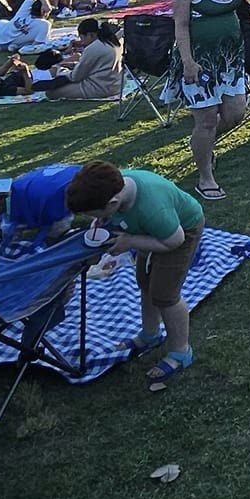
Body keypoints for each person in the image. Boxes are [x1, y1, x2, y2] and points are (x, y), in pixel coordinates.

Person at [63, 161, 205, 385]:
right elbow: (109, 215)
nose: (95, 218)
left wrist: (130, 241)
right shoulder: (115, 186)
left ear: (113, 203)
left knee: (165, 295)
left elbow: (173, 241)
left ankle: (181, 351)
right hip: (149, 231)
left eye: (95, 213)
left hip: (179, 233)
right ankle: (151, 335)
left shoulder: (153, 209)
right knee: (145, 283)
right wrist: (101, 221)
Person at [173, 0, 250, 202]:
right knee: (205, 121)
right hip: (199, 60)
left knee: (235, 114)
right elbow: (180, 25)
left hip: (229, 58)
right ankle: (205, 177)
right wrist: (188, 62)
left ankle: (203, 144)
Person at [46, 20, 124, 100]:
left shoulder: (93, 48)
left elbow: (76, 77)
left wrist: (62, 70)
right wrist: (74, 65)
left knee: (51, 93)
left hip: (99, 88)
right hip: (116, 86)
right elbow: (100, 66)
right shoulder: (114, 42)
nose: (82, 42)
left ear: (90, 35)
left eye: (82, 38)